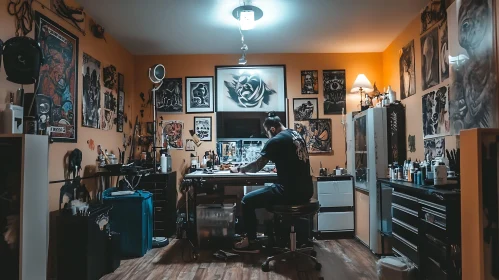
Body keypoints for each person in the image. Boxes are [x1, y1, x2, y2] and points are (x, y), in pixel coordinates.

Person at [230, 112, 313, 253]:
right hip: (306, 191)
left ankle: (252, 242)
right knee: (268, 194)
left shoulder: (276, 140)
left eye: (267, 133)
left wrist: (239, 169)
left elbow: (257, 166)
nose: (267, 136)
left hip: (289, 192)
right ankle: (276, 237)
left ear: (272, 129)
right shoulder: (295, 135)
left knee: (246, 201)